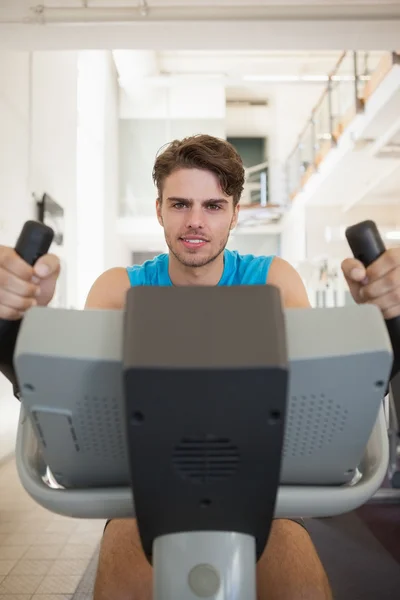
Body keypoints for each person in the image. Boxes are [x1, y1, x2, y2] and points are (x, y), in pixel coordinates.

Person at [0, 134, 399, 599]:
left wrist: (387, 316)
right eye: (180, 204)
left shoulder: (273, 281)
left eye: (212, 206)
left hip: (266, 501)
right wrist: (16, 321)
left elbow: (316, 394)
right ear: (159, 210)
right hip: (142, 500)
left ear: (233, 213)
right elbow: (79, 407)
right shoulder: (118, 291)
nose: (194, 221)